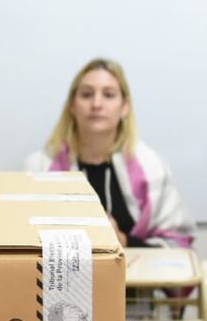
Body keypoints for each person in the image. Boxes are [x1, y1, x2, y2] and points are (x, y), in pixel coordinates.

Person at [25, 58, 195, 248]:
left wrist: (123, 241)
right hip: (58, 275)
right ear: (72, 105)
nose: (97, 104)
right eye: (87, 94)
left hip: (137, 276)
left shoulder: (151, 166)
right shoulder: (39, 167)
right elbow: (22, 240)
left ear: (124, 107)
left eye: (109, 94)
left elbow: (178, 243)